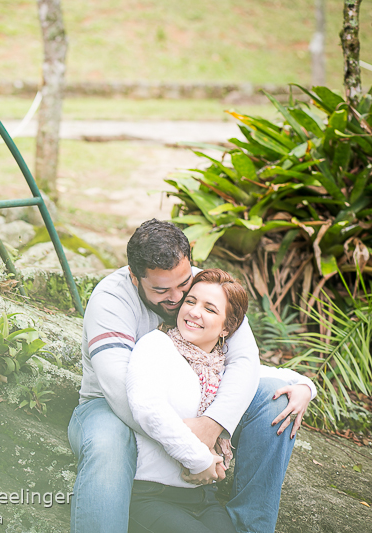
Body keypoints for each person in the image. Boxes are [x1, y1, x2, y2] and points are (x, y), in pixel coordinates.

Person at [68, 219, 305, 533]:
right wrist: (191, 445)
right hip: (113, 407)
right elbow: (121, 391)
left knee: (275, 398)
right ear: (134, 278)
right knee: (106, 443)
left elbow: (243, 362)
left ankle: (248, 526)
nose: (178, 298)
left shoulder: (205, 288)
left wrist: (213, 423)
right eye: (161, 290)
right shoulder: (111, 300)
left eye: (183, 284)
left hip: (195, 401)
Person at [125, 269, 315, 533]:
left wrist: (305, 388)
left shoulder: (219, 369)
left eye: (209, 309)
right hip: (152, 496)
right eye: (190, 301)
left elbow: (277, 376)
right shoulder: (156, 346)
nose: (194, 312)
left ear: (227, 328)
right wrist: (200, 460)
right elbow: (148, 409)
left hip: (203, 499)